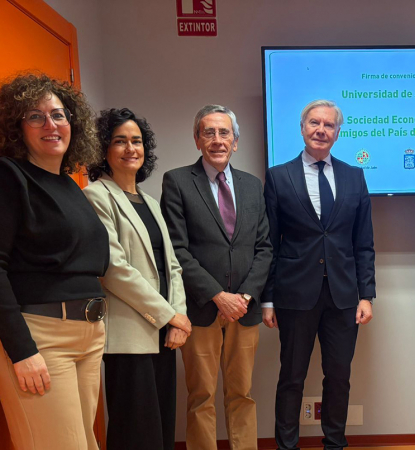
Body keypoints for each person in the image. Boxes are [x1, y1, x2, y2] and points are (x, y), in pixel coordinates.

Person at [0, 73, 109, 450]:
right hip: (40, 336)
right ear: (17, 128)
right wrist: (22, 350)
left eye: (59, 115)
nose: (51, 125)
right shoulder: (3, 176)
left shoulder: (69, 185)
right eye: (36, 116)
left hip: (89, 335)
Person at [263, 99, 376, 450]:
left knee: (339, 378)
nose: (321, 130)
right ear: (302, 128)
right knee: (291, 378)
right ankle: (286, 446)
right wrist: (267, 298)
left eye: (329, 125)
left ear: (338, 133)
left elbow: (364, 242)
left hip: (344, 296)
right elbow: (269, 242)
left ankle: (335, 444)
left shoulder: (355, 176)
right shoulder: (278, 176)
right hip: (294, 295)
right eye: (314, 123)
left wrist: (366, 295)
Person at [161, 104, 273, 450]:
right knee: (201, 396)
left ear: (235, 141)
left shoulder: (253, 186)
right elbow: (177, 250)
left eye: (224, 132)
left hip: (244, 310)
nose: (217, 139)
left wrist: (245, 297)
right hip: (201, 309)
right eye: (208, 132)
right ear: (197, 140)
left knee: (242, 393)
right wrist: (217, 295)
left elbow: (264, 248)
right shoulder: (178, 181)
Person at [83, 108, 192, 450]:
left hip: (164, 333)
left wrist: (180, 318)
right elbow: (114, 269)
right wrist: (168, 315)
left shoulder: (150, 201)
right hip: (129, 336)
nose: (131, 148)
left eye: (137, 141)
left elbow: (172, 266)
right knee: (136, 431)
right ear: (104, 150)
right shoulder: (96, 196)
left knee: (161, 428)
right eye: (120, 141)